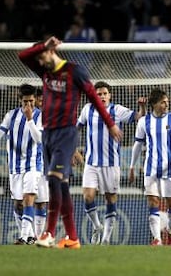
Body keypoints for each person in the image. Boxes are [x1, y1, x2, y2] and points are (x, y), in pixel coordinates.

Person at [18, 36, 122, 249]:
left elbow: (93, 96)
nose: (40, 59)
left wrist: (110, 124)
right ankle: (73, 237)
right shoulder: (45, 72)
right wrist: (44, 46)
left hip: (66, 133)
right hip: (47, 134)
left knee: (55, 179)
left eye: (43, 55)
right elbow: (23, 56)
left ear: (53, 53)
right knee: (60, 184)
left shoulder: (75, 71)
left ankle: (49, 232)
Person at [77, 81, 146, 245]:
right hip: (91, 163)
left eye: (104, 93)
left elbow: (139, 118)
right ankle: (97, 226)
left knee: (110, 199)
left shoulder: (118, 110)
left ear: (110, 95)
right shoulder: (87, 109)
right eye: (98, 94)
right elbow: (76, 127)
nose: (102, 97)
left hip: (111, 164)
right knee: (88, 196)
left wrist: (142, 108)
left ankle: (106, 239)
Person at [129, 88, 171, 246]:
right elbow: (137, 145)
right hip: (151, 168)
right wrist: (132, 166)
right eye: (163, 102)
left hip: (170, 168)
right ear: (154, 104)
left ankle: (170, 230)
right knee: (153, 201)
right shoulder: (143, 122)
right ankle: (157, 239)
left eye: (167, 101)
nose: (166, 104)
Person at [0, 84, 43, 245]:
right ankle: (30, 237)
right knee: (18, 204)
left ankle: (24, 237)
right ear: (20, 100)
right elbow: (0, 133)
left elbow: (39, 139)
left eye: (31, 101)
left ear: (35, 100)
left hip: (33, 166)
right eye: (25, 102)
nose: (28, 105)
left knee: (28, 198)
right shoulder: (11, 115)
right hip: (14, 167)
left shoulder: (40, 116)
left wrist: (30, 118)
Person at [33, 87, 49, 239]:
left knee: (42, 202)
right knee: (23, 201)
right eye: (40, 99)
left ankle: (38, 237)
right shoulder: (28, 117)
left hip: (45, 164)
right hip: (29, 165)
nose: (42, 102)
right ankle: (27, 235)